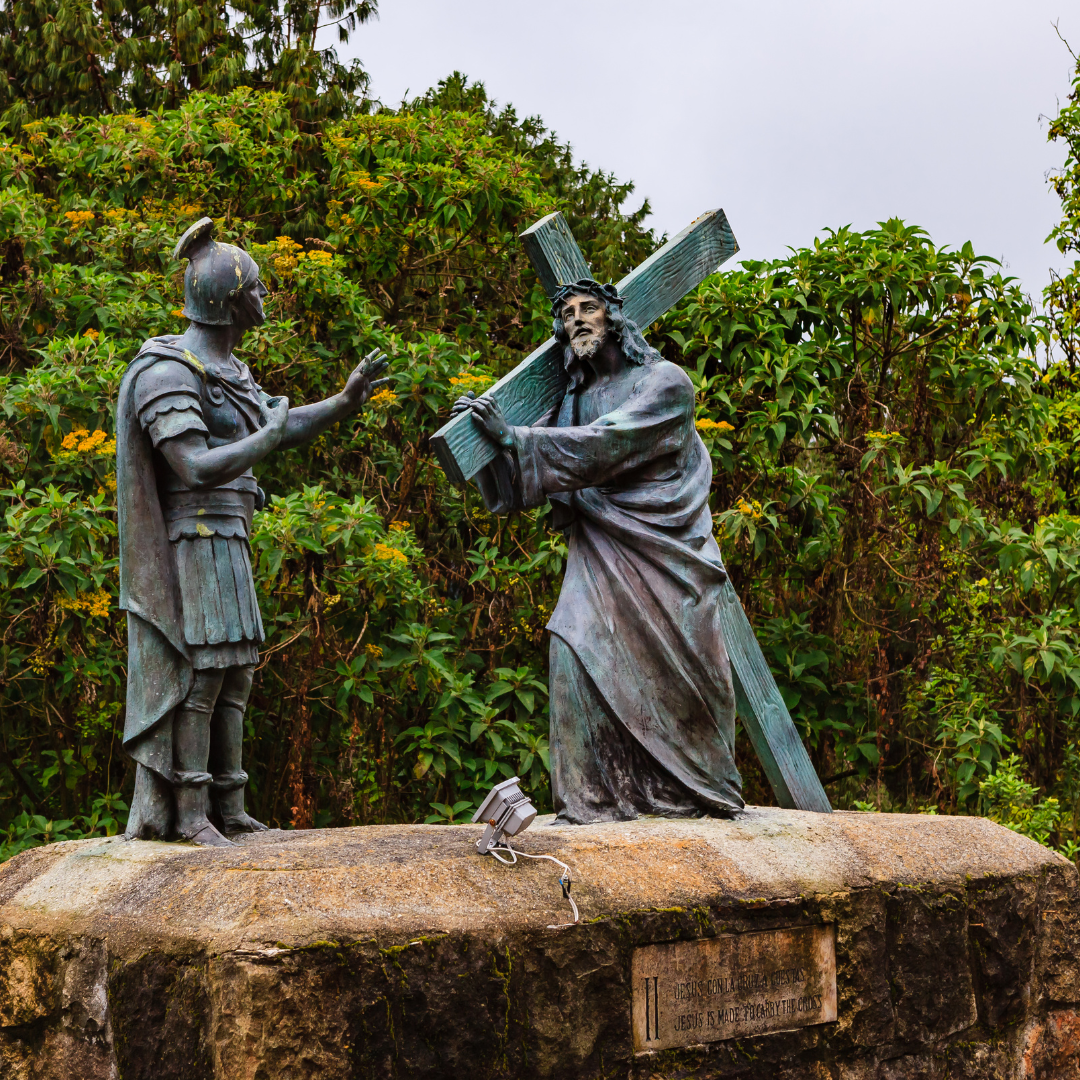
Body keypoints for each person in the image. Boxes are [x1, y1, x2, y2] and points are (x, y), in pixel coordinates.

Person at [118, 217, 388, 846]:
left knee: (237, 673)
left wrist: (343, 402)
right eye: (258, 289)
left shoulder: (232, 370)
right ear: (229, 300)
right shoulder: (167, 371)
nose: (265, 298)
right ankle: (190, 814)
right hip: (191, 541)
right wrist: (265, 438)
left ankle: (231, 806)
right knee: (203, 675)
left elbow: (277, 426)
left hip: (230, 537)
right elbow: (191, 465)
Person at [454, 279, 743, 824]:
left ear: (615, 317)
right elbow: (527, 475)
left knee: (683, 683)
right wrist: (484, 438)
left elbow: (608, 444)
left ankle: (694, 789)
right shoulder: (573, 401)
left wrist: (514, 437)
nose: (578, 319)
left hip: (667, 557)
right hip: (597, 551)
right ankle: (592, 804)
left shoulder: (665, 382)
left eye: (589, 308)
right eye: (567, 314)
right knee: (572, 648)